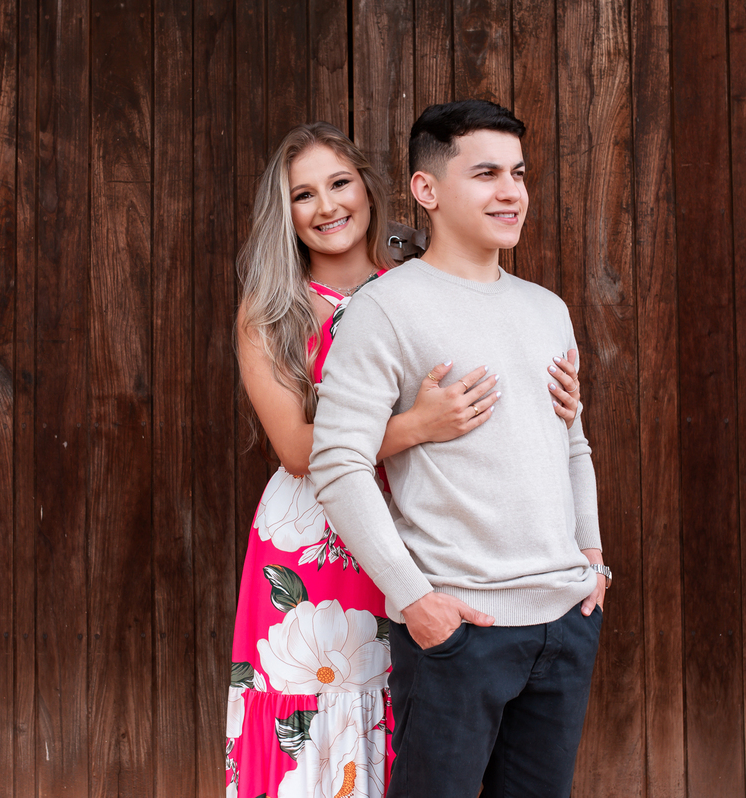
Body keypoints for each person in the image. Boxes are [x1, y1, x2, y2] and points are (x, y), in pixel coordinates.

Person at [226, 121, 581, 798]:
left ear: (368, 188)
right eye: (304, 195)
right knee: (323, 702)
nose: (328, 206)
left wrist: (557, 401)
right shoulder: (272, 311)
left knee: (413, 720)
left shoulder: (418, 286)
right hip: (318, 538)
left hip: (420, 525)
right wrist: (416, 425)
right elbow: (298, 450)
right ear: (286, 213)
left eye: (340, 183)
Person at [309, 99, 608, 797]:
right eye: (486, 174)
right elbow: (338, 464)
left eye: (518, 173)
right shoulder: (384, 310)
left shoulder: (547, 309)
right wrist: (416, 600)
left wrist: (592, 561)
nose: (511, 192)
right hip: (460, 629)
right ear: (427, 189)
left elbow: (573, 444)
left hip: (564, 623)